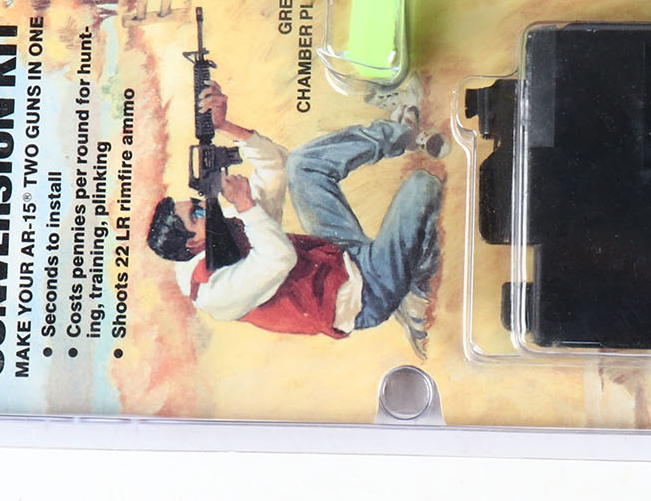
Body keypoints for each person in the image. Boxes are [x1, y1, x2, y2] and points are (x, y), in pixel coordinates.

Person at [147, 80, 444, 358]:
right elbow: (279, 259)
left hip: (339, 256)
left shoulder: (217, 232)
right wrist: (247, 206)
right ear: (192, 244)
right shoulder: (214, 293)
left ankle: (402, 134)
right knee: (422, 185)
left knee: (303, 165)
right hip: (366, 293)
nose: (205, 208)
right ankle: (414, 291)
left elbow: (276, 167)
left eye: (197, 204)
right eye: (196, 215)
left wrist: (226, 126)